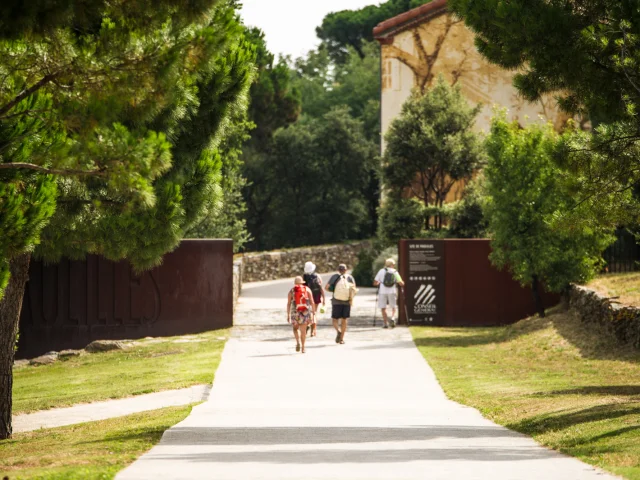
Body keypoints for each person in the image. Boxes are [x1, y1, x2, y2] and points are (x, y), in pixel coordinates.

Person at [325, 263, 356, 345]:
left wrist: (333, 291)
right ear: (346, 270)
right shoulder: (350, 277)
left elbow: (326, 287)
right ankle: (342, 339)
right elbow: (354, 289)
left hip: (336, 301)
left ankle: (338, 331)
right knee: (344, 320)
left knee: (335, 319)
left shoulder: (334, 277)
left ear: (338, 270)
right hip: (347, 301)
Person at [373, 258, 405, 328]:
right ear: (392, 265)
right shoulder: (395, 272)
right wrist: (402, 282)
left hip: (382, 291)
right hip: (392, 291)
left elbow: (375, 283)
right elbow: (401, 283)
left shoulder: (381, 271)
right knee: (393, 306)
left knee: (383, 307)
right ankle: (393, 318)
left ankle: (385, 323)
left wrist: (379, 282)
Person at [287, 276, 316, 353]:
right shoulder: (307, 289)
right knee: (303, 331)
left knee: (295, 329)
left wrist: (288, 315)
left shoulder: (292, 291)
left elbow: (289, 303)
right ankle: (303, 347)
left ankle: (297, 342)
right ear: (302, 282)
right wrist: (313, 312)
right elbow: (312, 301)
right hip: (305, 312)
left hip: (295, 313)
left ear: (295, 283)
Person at [303, 261, 325, 337]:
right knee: (314, 312)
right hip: (316, 296)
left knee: (308, 313)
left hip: (307, 297)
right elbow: (321, 287)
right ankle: (313, 331)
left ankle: (308, 324)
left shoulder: (304, 277)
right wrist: (323, 298)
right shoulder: (317, 276)